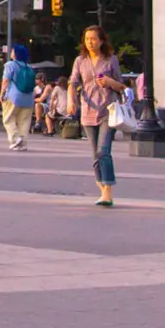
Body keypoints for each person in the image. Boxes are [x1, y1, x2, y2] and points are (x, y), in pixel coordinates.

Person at [68, 25, 124, 208]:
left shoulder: (110, 60)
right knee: (95, 155)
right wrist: (71, 100)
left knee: (103, 151)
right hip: (88, 111)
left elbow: (122, 86)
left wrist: (109, 82)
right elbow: (72, 82)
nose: (90, 42)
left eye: (93, 39)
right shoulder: (80, 61)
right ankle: (101, 186)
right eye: (87, 39)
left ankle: (108, 190)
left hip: (108, 110)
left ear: (101, 41)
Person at [1, 43, 36, 149]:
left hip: (14, 96)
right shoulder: (29, 67)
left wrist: (2, 93)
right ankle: (23, 143)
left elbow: (6, 80)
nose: (11, 52)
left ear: (16, 54)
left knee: (8, 118)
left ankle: (15, 139)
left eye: (13, 51)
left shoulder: (10, 65)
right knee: (24, 121)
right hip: (28, 98)